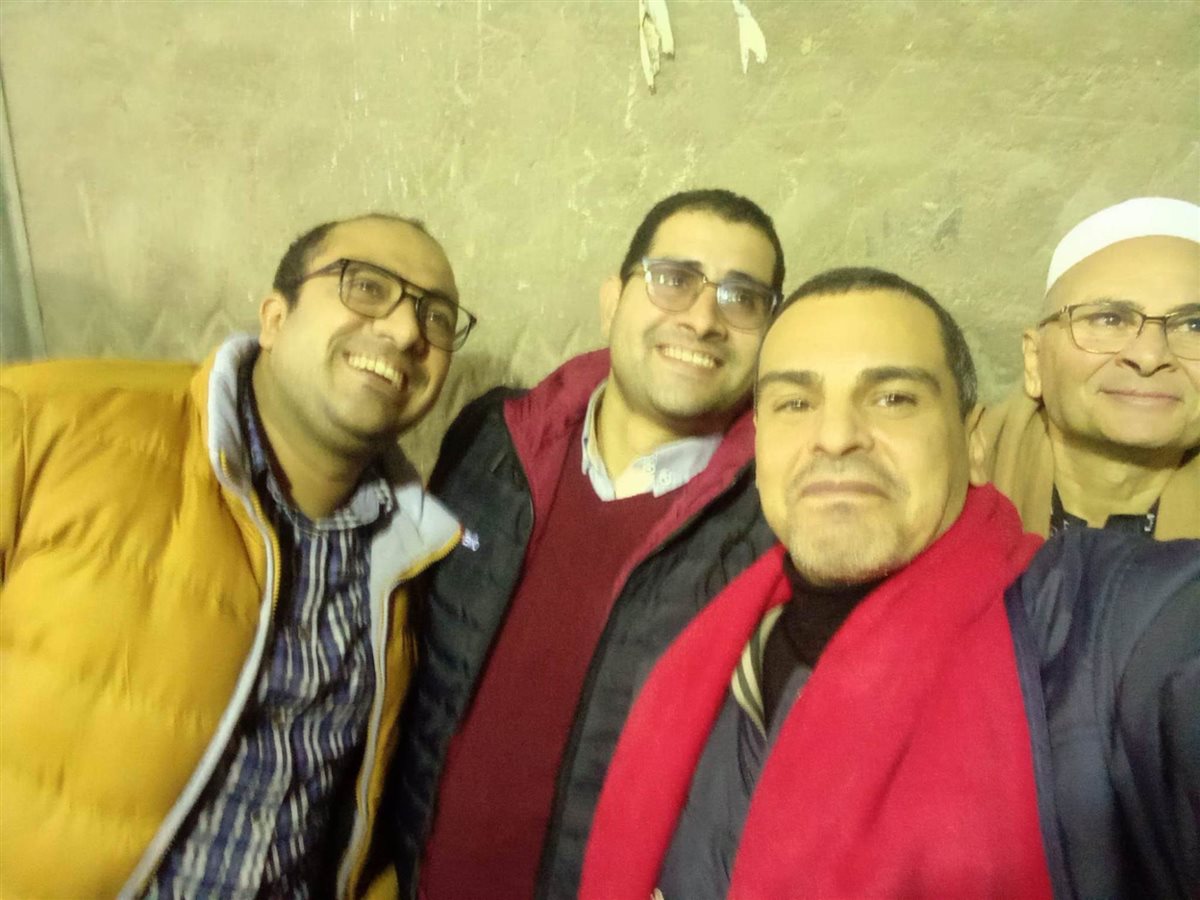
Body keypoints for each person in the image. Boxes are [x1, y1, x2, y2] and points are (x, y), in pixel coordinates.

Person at [580, 267, 1199, 900]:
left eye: (894, 398)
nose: (835, 437)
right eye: (795, 403)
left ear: (972, 442)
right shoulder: (710, 656)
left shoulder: (1099, 626)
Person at [0, 213, 476, 898]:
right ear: (275, 317)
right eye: (368, 287)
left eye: (436, 317)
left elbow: (350, 824)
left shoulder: (411, 556)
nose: (406, 331)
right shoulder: (46, 425)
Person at [388, 189, 786, 899]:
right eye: (674, 279)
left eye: (741, 298)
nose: (703, 318)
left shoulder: (778, 522)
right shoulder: (491, 442)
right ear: (613, 300)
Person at [978, 197, 1200, 538]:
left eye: (1194, 326)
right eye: (1109, 319)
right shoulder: (941, 477)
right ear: (1034, 359)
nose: (1149, 357)